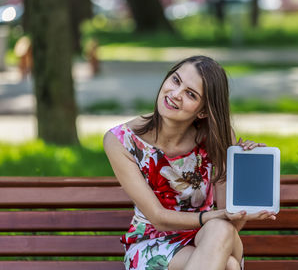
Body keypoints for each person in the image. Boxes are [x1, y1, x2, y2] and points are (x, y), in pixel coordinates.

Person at [103, 55, 276, 270]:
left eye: (190, 94)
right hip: (152, 243)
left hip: (211, 237)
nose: (175, 95)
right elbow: (159, 218)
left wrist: (243, 170)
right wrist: (217, 216)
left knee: (221, 230)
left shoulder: (216, 138)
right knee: (229, 265)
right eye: (175, 80)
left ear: (203, 111)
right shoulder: (122, 141)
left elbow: (231, 222)